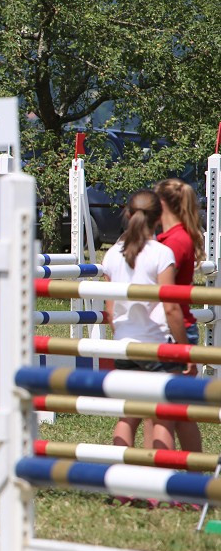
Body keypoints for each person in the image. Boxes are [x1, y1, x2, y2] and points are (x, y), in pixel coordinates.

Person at [103, 190, 188, 452]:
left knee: (127, 417)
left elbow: (109, 309)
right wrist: (184, 349)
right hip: (156, 344)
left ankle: (123, 485)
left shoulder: (111, 254)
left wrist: (121, 331)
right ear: (158, 217)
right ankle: (160, 483)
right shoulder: (161, 254)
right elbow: (171, 308)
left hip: (124, 344)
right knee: (162, 417)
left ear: (128, 214)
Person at [150, 178, 206, 453]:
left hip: (173, 330)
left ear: (161, 204)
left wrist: (183, 349)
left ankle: (158, 483)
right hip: (177, 327)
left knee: (162, 414)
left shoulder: (171, 243)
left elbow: (168, 301)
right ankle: (196, 486)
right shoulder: (177, 238)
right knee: (182, 414)